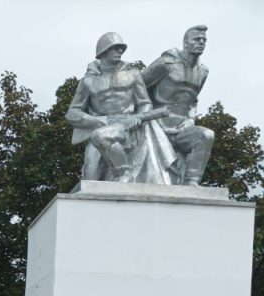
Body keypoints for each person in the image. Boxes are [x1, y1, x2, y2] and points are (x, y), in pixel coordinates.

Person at [66, 32, 154, 182]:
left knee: (102, 137)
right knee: (91, 176)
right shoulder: (88, 81)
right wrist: (98, 121)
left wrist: (139, 118)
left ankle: (123, 173)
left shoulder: (133, 75)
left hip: (128, 128)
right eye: (115, 48)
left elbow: (145, 103)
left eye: (121, 48)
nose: (120, 51)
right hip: (99, 127)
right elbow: (72, 112)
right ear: (103, 52)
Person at [141, 25, 214, 186]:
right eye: (197, 39)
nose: (201, 43)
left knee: (206, 136)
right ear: (185, 43)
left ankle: (191, 181)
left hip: (182, 126)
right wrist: (145, 113)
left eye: (204, 40)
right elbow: (138, 86)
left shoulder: (203, 72)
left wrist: (191, 119)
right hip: (156, 123)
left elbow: (193, 100)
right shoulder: (166, 63)